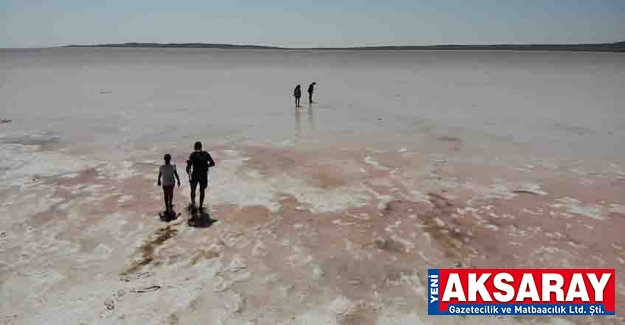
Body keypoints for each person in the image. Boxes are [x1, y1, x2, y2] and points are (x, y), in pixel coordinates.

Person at [186, 141, 215, 211]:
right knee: (202, 190)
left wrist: (189, 174)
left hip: (195, 175)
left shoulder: (192, 154)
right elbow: (213, 163)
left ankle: (193, 204)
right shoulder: (205, 154)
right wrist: (206, 166)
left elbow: (188, 167)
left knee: (193, 190)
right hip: (203, 175)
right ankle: (201, 206)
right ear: (201, 146)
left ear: (194, 147)